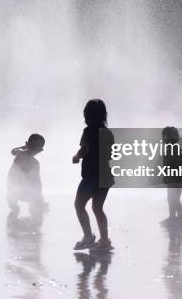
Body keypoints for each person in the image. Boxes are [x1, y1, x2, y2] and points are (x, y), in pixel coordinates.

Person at [72, 99, 115, 252]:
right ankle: (104, 240)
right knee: (98, 207)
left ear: (87, 115)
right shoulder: (108, 133)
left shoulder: (88, 131)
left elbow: (85, 148)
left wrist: (76, 157)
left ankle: (88, 237)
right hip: (106, 176)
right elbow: (112, 154)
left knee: (79, 205)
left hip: (91, 176)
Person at [7, 134, 47, 216]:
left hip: (12, 186)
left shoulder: (20, 153)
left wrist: (24, 147)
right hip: (16, 187)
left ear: (27, 144)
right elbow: (37, 183)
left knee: (16, 195)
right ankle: (15, 202)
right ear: (40, 150)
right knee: (37, 197)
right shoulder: (35, 163)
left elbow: (13, 151)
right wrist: (39, 197)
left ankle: (13, 201)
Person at [160, 126, 182, 228]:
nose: (163, 139)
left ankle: (179, 218)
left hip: (175, 180)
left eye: (164, 137)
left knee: (174, 199)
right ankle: (174, 217)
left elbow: (174, 164)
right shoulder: (171, 148)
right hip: (175, 180)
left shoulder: (172, 149)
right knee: (172, 199)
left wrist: (169, 176)